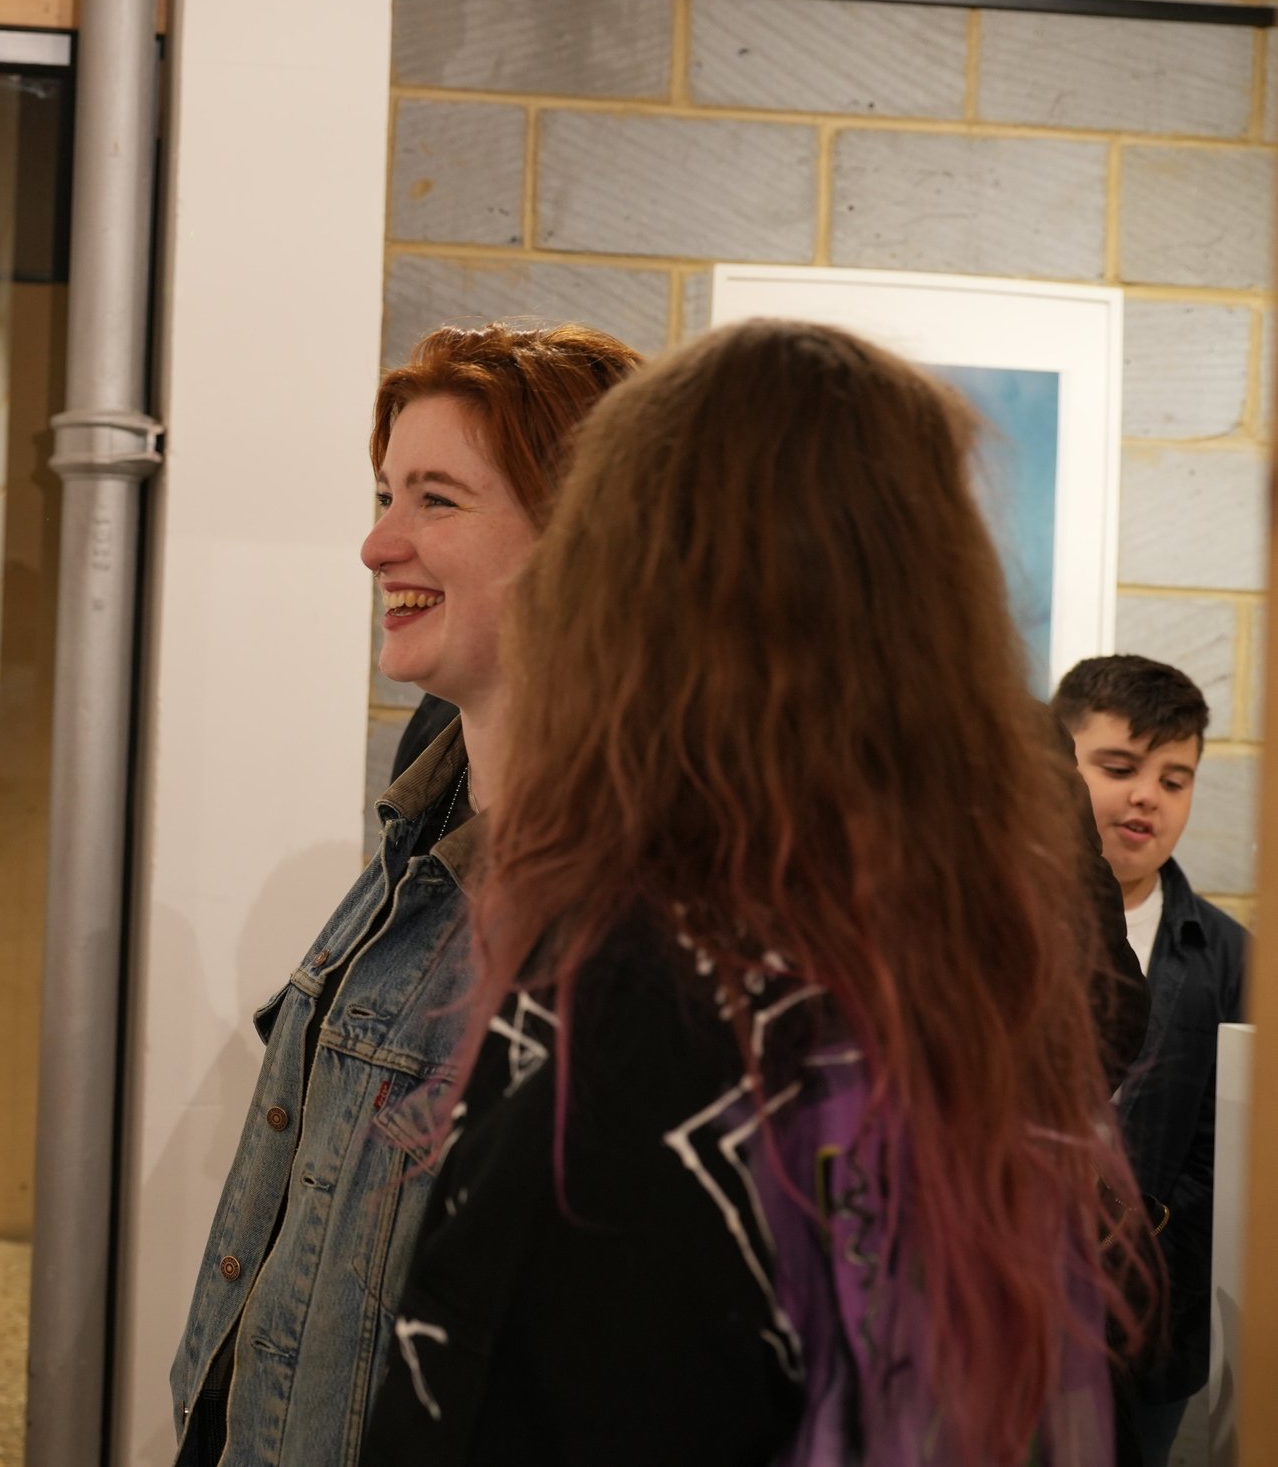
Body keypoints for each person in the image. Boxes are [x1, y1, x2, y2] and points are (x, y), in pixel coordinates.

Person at [364, 320, 1147, 1467]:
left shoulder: (641, 984)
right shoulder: (961, 950)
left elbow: (492, 1392)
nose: (382, 541)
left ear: (636, 585)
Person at [167, 323, 642, 1467]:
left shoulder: (630, 921)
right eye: (388, 494)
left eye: (437, 498)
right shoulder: (418, 834)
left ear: (586, 536)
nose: (378, 543)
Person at [1054, 656, 1247, 1467]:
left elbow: (1228, 1157)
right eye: (1118, 767)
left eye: (1175, 779)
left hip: (1153, 1330)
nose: (1147, 796)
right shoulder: (1002, 929)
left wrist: (1142, 1267)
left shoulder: (1230, 957)